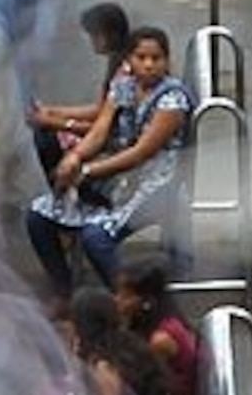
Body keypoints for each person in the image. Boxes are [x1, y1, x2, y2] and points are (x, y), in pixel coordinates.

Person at [28, 26, 192, 293]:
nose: (149, 65)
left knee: (97, 237)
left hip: (157, 185)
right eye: (141, 57)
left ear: (167, 60)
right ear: (129, 60)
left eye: (156, 58)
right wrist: (76, 157)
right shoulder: (124, 87)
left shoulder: (172, 100)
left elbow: (141, 152)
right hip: (118, 182)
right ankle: (64, 292)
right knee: (38, 216)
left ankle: (131, 303)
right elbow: (100, 131)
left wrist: (89, 170)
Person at [30, 2, 131, 179]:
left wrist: (56, 122)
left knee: (47, 140)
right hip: (106, 133)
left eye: (94, 35)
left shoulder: (125, 74)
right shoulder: (115, 64)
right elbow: (100, 109)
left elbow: (104, 129)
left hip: (116, 141)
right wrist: (53, 111)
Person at [114, 248, 199, 395]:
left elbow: (139, 384)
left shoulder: (160, 340)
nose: (117, 300)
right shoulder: (157, 322)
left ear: (146, 301)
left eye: (125, 296)